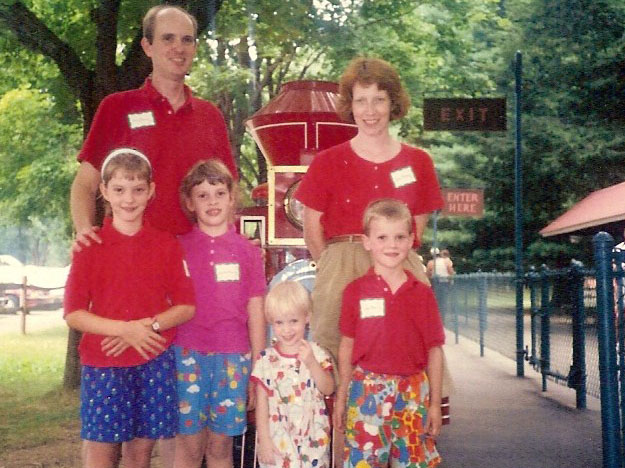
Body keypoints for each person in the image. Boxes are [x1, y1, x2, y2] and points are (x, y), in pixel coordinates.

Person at [294, 56, 444, 361]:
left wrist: (391, 262)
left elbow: (417, 227)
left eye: (379, 99)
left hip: (397, 264)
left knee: (411, 353)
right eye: (361, 101)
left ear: (393, 103)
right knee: (335, 359)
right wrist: (333, 270)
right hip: (340, 267)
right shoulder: (327, 162)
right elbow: (312, 231)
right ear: (350, 105)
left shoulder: (418, 162)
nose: (370, 110)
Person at [63, 149, 196, 468]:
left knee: (140, 452)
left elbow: (185, 306)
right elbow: (73, 312)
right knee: (101, 450)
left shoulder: (166, 244)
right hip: (103, 361)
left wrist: (145, 328)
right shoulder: (89, 246)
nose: (129, 199)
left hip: (152, 357)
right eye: (119, 189)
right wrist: (124, 330)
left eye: (138, 189)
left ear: (150, 191)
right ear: (104, 191)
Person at [70, 5, 237, 248]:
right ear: (148, 47)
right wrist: (84, 230)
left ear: (195, 48)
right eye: (168, 38)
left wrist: (233, 244)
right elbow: (85, 184)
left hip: (197, 258)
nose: (178, 48)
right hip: (131, 255)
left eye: (187, 40)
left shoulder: (210, 116)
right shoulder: (116, 107)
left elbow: (229, 194)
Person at [335, 199, 444, 468]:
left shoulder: (422, 294)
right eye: (382, 237)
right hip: (367, 390)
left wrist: (435, 404)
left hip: (413, 392)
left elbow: (435, 350)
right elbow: (346, 346)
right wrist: (342, 396)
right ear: (367, 241)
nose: (391, 245)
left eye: (399, 237)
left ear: (410, 241)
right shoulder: (355, 291)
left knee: (412, 463)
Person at [174, 160, 266, 468]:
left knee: (220, 446)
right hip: (187, 354)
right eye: (202, 195)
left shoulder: (249, 252)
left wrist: (257, 365)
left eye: (219, 193)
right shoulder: (178, 247)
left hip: (233, 358)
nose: (212, 201)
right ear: (190, 202)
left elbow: (256, 310)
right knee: (188, 447)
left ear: (231, 198)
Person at [252, 281, 335, 468]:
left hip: (313, 441)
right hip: (278, 441)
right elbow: (262, 404)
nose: (287, 330)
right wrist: (264, 440)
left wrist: (312, 363)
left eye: (293, 321)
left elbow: (328, 387)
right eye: (279, 323)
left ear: (307, 317)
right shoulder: (265, 360)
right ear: (271, 322)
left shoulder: (317, 352)